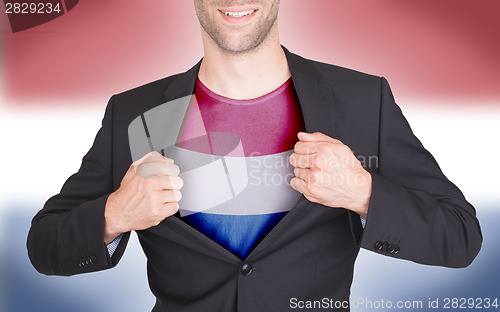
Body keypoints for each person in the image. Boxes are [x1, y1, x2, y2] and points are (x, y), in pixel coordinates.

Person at [27, 1, 482, 311]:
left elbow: (460, 237)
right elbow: (45, 245)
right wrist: (114, 214)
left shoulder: (362, 100)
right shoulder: (136, 112)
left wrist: (363, 192)